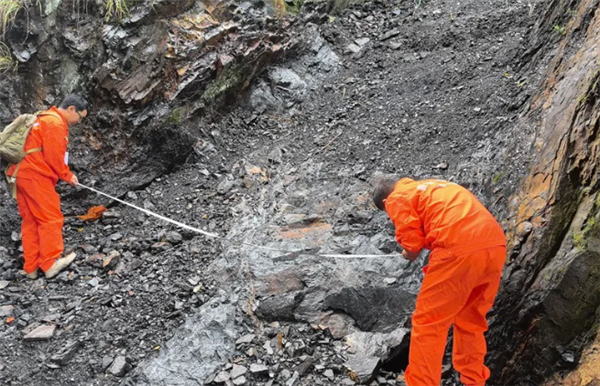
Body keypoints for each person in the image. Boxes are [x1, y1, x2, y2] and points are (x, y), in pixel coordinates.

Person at [373, 177, 506, 386]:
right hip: (494, 245)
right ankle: (474, 381)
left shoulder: (397, 197)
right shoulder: (435, 186)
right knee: (471, 319)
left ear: (384, 203)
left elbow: (413, 244)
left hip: (457, 247)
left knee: (428, 323)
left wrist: (408, 252)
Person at [6, 94, 89, 280]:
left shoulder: (42, 117)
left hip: (20, 173)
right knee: (51, 218)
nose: (79, 122)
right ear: (71, 109)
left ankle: (31, 267)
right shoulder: (56, 124)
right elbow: (54, 157)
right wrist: (68, 176)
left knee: (31, 220)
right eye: (80, 117)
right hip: (36, 175)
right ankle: (50, 263)